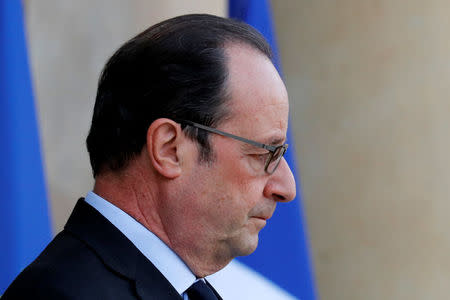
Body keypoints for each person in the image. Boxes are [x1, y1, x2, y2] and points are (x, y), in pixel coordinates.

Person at [2, 14, 296, 299]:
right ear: (169, 149)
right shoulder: (62, 293)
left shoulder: (184, 289)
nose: (286, 188)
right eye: (265, 153)